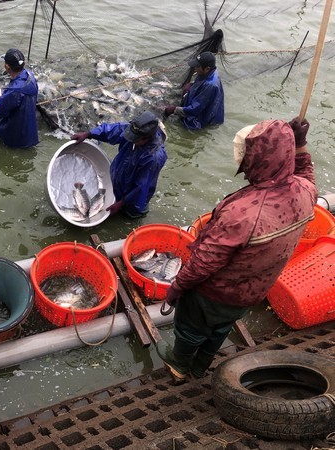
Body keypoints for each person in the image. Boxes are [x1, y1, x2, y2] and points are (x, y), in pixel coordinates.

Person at [159, 117, 316, 382]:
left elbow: (204, 263)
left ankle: (179, 365)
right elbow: (305, 173)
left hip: (213, 293)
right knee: (220, 329)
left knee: (191, 330)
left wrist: (178, 287)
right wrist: (300, 145)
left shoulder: (243, 214)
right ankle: (200, 367)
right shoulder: (305, 192)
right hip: (253, 291)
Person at [71, 111, 167, 219]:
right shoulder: (135, 130)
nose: (131, 140)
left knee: (128, 218)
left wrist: (122, 203)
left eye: (135, 140)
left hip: (134, 201)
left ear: (146, 139)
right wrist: (89, 134)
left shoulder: (153, 157)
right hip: (118, 186)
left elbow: (141, 187)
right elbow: (112, 130)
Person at [163, 51, 224, 130]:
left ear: (207, 68)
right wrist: (191, 85)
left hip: (202, 120)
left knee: (184, 126)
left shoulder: (210, 85)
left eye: (197, 66)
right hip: (204, 106)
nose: (195, 69)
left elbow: (195, 109)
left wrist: (174, 110)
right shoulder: (210, 72)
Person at [0, 48, 39, 148]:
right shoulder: (30, 76)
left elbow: (0, 111)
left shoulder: (14, 91)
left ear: (7, 66)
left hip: (14, 137)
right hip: (29, 134)